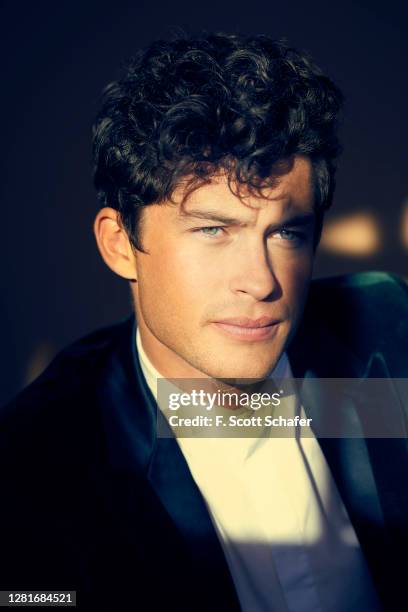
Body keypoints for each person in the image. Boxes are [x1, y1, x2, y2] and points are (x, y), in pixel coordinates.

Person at [0, 32, 407, 612]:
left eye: (285, 231)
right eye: (213, 230)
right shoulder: (37, 469)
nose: (262, 280)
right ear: (120, 245)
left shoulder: (389, 329)